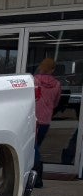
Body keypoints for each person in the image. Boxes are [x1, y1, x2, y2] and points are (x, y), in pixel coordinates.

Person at [33, 57, 62, 188]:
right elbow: (56, 103)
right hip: (46, 120)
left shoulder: (35, 80)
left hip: (33, 118)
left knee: (33, 148)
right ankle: (36, 175)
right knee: (36, 146)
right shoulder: (57, 84)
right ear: (52, 69)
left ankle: (37, 176)